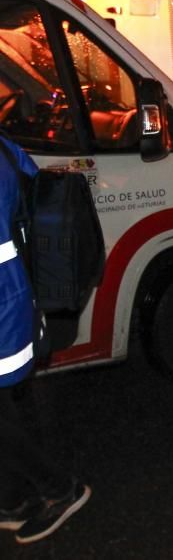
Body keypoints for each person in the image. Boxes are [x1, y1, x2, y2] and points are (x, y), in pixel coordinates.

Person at [0, 134, 90, 544]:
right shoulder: (4, 146)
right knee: (13, 402)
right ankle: (16, 499)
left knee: (7, 411)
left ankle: (59, 490)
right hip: (13, 296)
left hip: (4, 304)